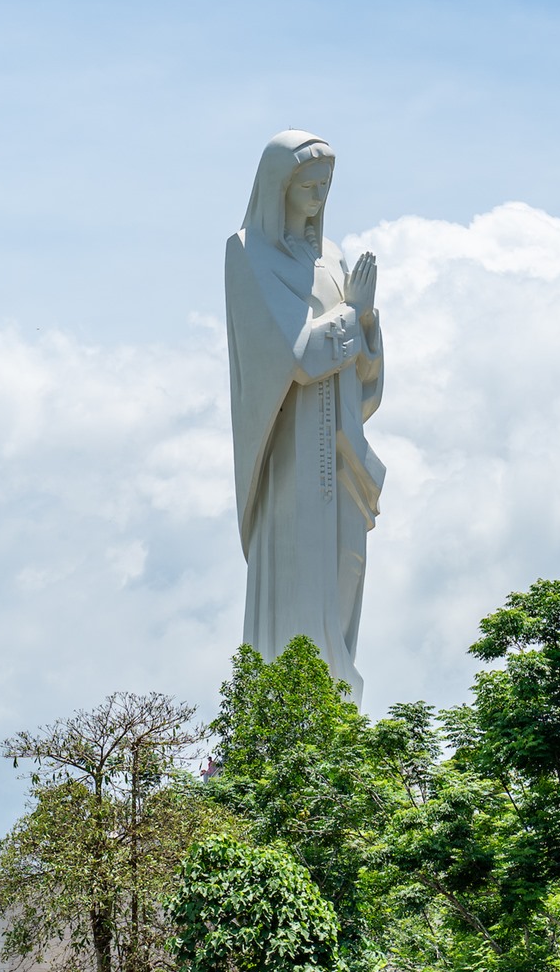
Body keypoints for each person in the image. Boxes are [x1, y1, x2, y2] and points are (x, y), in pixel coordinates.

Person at [224, 130, 385, 703]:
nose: (318, 198)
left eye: (326, 187)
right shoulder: (248, 253)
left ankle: (339, 711)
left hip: (340, 449)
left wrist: (365, 325)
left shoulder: (332, 258)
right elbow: (297, 356)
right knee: (300, 579)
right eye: (307, 187)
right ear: (279, 188)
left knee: (347, 565)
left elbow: (364, 374)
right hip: (291, 448)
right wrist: (352, 312)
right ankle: (290, 718)